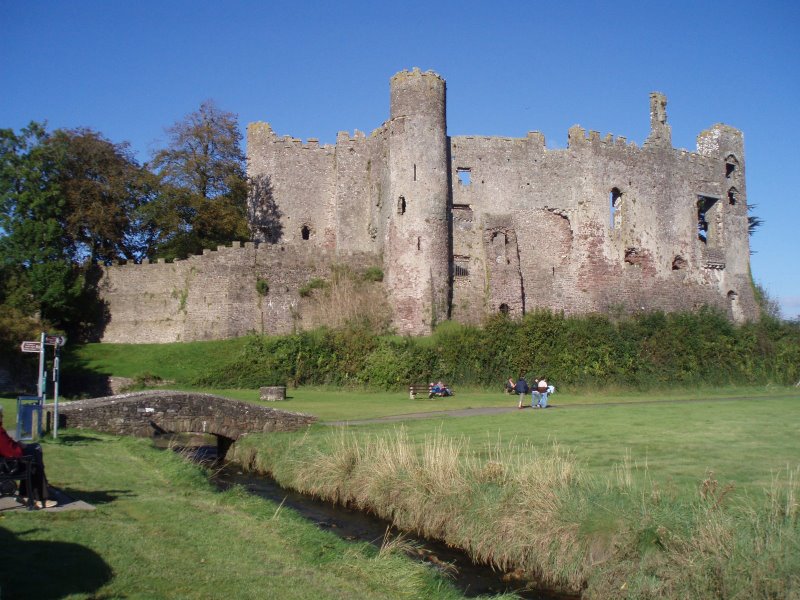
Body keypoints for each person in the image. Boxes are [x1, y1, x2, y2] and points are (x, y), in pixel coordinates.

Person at [0, 407, 56, 508]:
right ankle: (39, 498)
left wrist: (18, 444)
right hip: (7, 466)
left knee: (35, 449)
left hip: (4, 462)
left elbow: (7, 445)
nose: (2, 417)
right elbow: (12, 452)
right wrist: (20, 447)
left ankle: (27, 494)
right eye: (1, 415)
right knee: (34, 461)